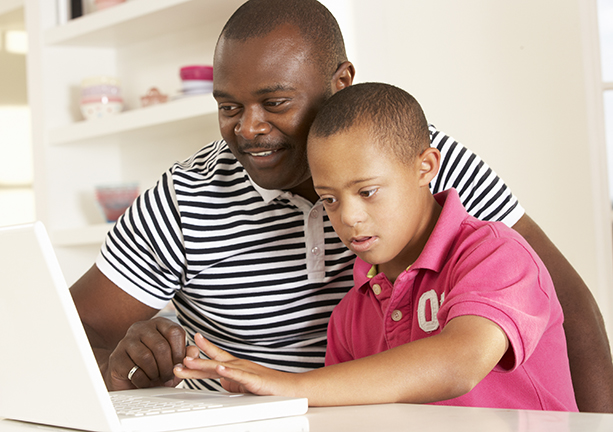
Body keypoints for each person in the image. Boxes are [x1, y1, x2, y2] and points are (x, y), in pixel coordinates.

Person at [69, 0, 613, 412]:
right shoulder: (186, 198)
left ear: (340, 83)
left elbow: (558, 312)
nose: (249, 127)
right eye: (228, 106)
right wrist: (121, 370)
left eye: (275, 102)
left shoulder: (415, 162)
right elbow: (73, 332)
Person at [174, 82, 579, 411]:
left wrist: (289, 386)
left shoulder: (495, 254)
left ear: (426, 167)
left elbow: (460, 363)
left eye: (367, 191)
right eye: (329, 199)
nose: (348, 217)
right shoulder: (351, 315)